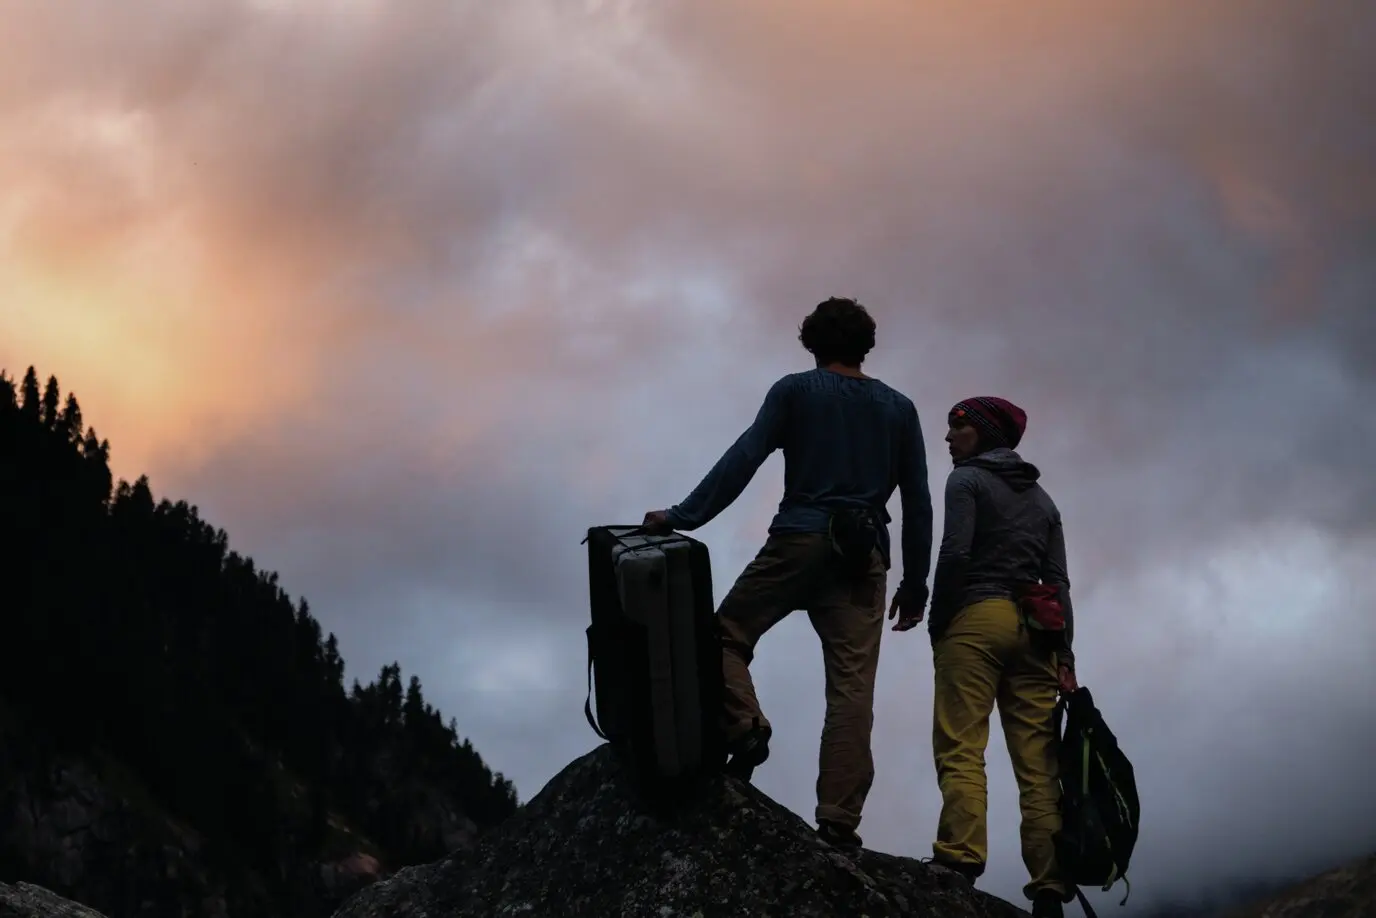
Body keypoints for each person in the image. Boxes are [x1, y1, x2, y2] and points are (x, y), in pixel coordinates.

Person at [641, 296, 933, 849]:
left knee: (723, 635)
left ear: (811, 342)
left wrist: (682, 517)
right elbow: (918, 503)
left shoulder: (795, 391)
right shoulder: (900, 409)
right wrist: (916, 585)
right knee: (852, 691)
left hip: (799, 538)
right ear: (866, 346)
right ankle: (839, 823)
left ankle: (745, 726)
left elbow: (744, 456)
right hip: (864, 554)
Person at [901, 396, 1076, 918]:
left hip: (977, 618)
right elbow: (1059, 580)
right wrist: (1065, 654)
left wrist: (938, 620)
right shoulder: (1044, 500)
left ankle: (960, 858)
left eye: (958, 428)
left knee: (961, 743)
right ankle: (1049, 888)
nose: (949, 438)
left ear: (984, 434)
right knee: (1040, 764)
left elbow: (955, 552)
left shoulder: (966, 482)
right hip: (1038, 633)